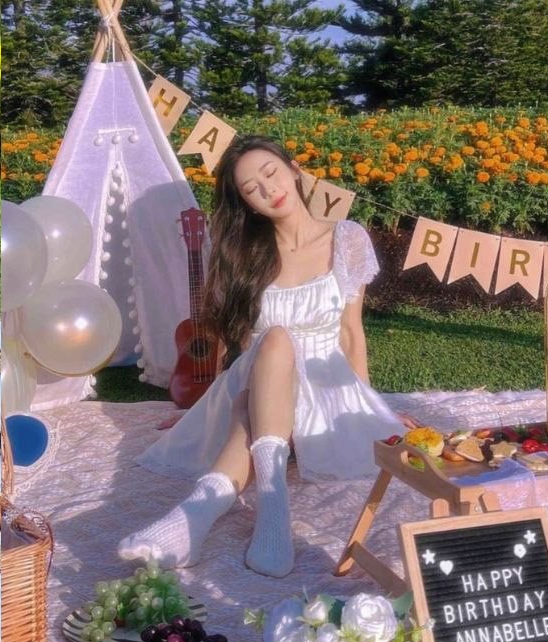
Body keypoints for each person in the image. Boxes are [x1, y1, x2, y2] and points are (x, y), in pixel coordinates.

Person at [120, 135, 401, 578]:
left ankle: (196, 516)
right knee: (274, 341)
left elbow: (350, 332)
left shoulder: (346, 238)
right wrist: (209, 409)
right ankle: (272, 506)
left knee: (276, 342)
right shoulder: (244, 254)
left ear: (292, 168)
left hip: (325, 386)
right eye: (252, 189)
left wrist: (370, 407)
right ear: (247, 205)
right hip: (260, 377)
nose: (269, 190)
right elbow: (237, 344)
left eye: (271, 174)